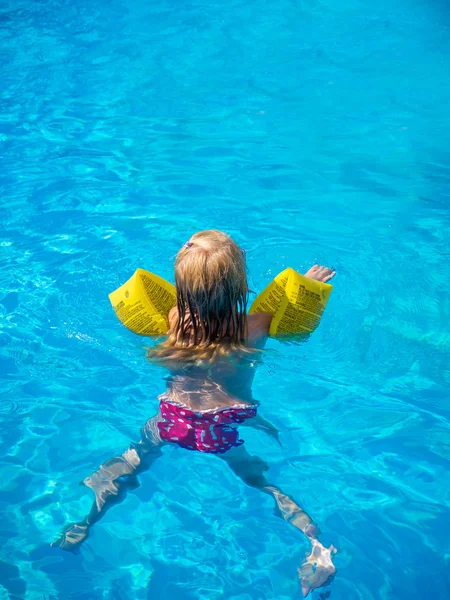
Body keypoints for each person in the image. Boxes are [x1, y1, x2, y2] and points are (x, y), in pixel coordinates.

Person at [52, 230, 337, 597]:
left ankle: (83, 525)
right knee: (258, 481)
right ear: (240, 282)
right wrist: (307, 284)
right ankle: (315, 544)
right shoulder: (255, 326)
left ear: (181, 286)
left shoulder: (172, 319)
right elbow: (290, 310)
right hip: (224, 422)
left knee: (129, 461)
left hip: (172, 416)